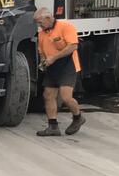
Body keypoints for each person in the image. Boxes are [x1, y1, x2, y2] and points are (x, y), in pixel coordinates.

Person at [34, 8, 84, 136]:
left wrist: (54, 58)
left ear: (48, 18)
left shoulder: (66, 27)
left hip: (68, 65)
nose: (39, 26)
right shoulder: (42, 34)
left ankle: (78, 117)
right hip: (52, 67)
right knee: (48, 95)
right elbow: (41, 51)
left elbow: (73, 46)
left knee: (66, 97)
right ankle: (53, 126)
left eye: (40, 22)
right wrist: (43, 61)